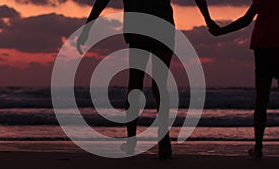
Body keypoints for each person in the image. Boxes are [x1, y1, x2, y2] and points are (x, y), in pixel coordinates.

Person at [77, 0, 217, 160]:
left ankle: (131, 140)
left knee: (136, 84)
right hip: (162, 28)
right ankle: (163, 139)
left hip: (139, 30)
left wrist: (87, 27)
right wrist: (208, 19)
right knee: (159, 85)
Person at [209, 0, 279, 159]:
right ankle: (258, 147)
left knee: (261, 100)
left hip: (264, 48)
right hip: (266, 47)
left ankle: (259, 147)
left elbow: (246, 20)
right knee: (261, 100)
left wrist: (221, 31)